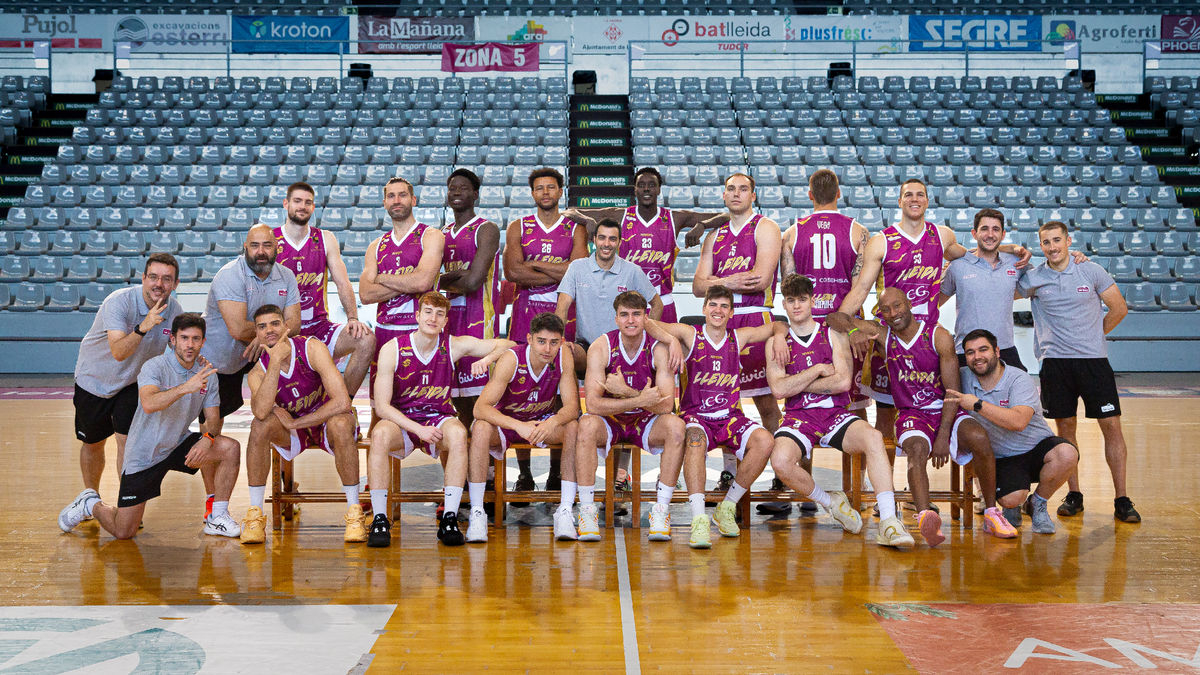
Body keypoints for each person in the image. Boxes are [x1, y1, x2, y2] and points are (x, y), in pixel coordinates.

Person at [829, 179, 1030, 480]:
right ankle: (886, 493)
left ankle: (960, 490)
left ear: (927, 201)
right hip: (892, 339)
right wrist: (852, 327)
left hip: (931, 343)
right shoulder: (882, 241)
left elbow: (971, 255)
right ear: (900, 201)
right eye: (908, 194)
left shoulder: (942, 235)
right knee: (886, 416)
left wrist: (1009, 248)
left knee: (943, 408)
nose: (914, 199)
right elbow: (860, 289)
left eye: (919, 194)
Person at [835, 288, 1017, 544]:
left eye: (897, 306)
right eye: (885, 310)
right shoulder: (884, 334)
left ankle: (990, 512)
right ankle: (924, 517)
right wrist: (854, 330)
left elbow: (953, 392)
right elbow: (836, 317)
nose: (893, 314)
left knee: (980, 438)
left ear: (909, 304)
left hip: (945, 409)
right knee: (916, 451)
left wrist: (943, 435)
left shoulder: (938, 336)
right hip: (912, 413)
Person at [59, 314, 242, 540]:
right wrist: (186, 387)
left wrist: (209, 438)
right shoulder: (154, 366)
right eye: (184, 338)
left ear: (203, 342)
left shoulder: (207, 375)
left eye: (196, 339)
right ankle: (90, 504)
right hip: (144, 454)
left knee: (230, 448)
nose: (190, 344)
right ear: (172, 340)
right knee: (123, 531)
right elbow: (149, 403)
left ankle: (217, 517)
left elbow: (213, 419)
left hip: (177, 444)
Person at [769, 275, 915, 549]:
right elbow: (778, 390)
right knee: (780, 461)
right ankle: (830, 501)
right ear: (784, 305)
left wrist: (797, 382)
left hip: (835, 415)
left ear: (813, 301)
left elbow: (843, 382)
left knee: (873, 438)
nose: (797, 306)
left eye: (802, 299)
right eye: (791, 301)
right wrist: (817, 370)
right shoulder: (777, 342)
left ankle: (889, 521)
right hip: (798, 417)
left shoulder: (833, 333)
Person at [367, 291, 515, 547]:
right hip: (403, 420)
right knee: (378, 434)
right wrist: (417, 429)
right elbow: (381, 406)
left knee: (458, 433)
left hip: (439, 417)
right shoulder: (392, 349)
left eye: (439, 314)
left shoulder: (453, 345)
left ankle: (450, 517)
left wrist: (488, 359)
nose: (433, 318)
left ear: (446, 320)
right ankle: (380, 518)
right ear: (417, 316)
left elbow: (508, 345)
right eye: (428, 312)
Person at [644, 285, 788, 549]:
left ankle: (727, 506)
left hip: (729, 415)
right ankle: (699, 517)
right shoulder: (690, 333)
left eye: (723, 306)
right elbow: (648, 323)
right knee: (695, 441)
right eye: (713, 305)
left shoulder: (739, 337)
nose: (717, 311)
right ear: (703, 308)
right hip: (696, 415)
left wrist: (779, 336)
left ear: (732, 312)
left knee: (765, 441)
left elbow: (777, 324)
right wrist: (672, 339)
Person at [1017, 221, 1139, 523]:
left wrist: (1094, 337)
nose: (1052, 247)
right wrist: (1014, 253)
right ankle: (1075, 495)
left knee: (1111, 428)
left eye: (1057, 240)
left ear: (1068, 240)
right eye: (1046, 242)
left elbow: (1119, 308)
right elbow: (1002, 284)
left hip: (1093, 363)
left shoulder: (1091, 270)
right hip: (1055, 364)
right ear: (1041, 246)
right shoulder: (1034, 278)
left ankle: (1122, 499)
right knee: (1066, 431)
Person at [771, 168, 872, 516]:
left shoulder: (792, 232)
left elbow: (790, 285)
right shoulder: (858, 231)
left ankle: (807, 492)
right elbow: (861, 286)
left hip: (805, 322)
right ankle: (857, 489)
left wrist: (786, 325)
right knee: (851, 406)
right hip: (840, 328)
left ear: (810, 195)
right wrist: (848, 324)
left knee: (802, 405)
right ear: (839, 193)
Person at [199, 224, 301, 517]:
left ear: (276, 247)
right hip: (219, 359)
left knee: (281, 414)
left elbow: (294, 322)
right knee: (212, 425)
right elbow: (236, 328)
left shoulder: (286, 276)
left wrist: (262, 338)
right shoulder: (229, 275)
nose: (260, 251)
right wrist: (266, 334)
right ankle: (212, 501)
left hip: (263, 354)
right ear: (245, 247)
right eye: (254, 245)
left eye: (266, 245)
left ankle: (286, 489)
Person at [239, 304, 362, 545]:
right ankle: (254, 514)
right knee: (259, 427)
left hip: (326, 419)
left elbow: (342, 401)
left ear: (287, 326)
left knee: (340, 423)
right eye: (262, 327)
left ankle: (355, 511)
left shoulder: (311, 347)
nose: (270, 330)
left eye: (275, 323)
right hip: (294, 429)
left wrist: (298, 423)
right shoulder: (257, 372)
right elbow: (262, 412)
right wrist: (274, 363)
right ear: (257, 334)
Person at [67, 253, 182, 504]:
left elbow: (176, 354)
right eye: (153, 277)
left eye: (166, 279)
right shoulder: (118, 302)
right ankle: (91, 497)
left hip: (131, 383)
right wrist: (145, 325)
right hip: (95, 380)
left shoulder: (175, 311)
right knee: (93, 443)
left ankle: (126, 502)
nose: (158, 284)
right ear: (143, 278)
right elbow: (119, 352)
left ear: (176, 284)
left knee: (127, 443)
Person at [574, 291, 686, 542]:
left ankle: (661, 509)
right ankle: (587, 509)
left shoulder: (658, 349)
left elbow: (667, 404)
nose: (631, 320)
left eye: (636, 314)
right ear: (615, 319)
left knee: (677, 427)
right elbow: (592, 404)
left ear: (646, 318)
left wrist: (626, 393)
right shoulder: (601, 347)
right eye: (624, 315)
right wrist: (639, 399)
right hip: (611, 420)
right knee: (586, 425)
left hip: (645, 420)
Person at [502, 167, 587, 494]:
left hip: (564, 310)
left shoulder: (575, 227)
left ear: (560, 191)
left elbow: (577, 270)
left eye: (551, 187)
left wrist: (534, 266)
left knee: (559, 389)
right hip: (526, 311)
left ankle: (555, 468)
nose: (546, 193)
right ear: (533, 193)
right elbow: (513, 272)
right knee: (518, 387)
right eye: (540, 188)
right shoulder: (517, 226)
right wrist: (557, 271)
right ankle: (524, 473)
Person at [946, 329, 1080, 534]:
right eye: (970, 352)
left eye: (983, 350)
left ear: (997, 352)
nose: (977, 357)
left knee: (1067, 454)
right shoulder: (962, 378)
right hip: (1003, 458)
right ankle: (1015, 503)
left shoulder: (1019, 378)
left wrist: (977, 404)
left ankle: (1037, 503)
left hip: (1036, 448)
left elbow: (1018, 422)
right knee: (1011, 498)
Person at [562, 165, 727, 322]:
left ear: (659, 189)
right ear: (635, 189)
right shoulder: (622, 215)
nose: (646, 189)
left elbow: (726, 216)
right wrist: (587, 220)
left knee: (663, 351)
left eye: (651, 185)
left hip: (663, 302)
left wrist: (702, 225)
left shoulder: (674, 218)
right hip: (628, 302)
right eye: (641, 185)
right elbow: (568, 211)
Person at [469, 312, 580, 543]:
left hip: (541, 422)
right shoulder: (512, 359)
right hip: (509, 422)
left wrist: (553, 421)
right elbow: (480, 408)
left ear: (561, 342)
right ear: (529, 339)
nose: (547, 348)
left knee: (573, 427)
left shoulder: (564, 356)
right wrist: (517, 425)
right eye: (541, 341)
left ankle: (565, 510)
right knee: (480, 428)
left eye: (553, 342)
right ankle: (477, 512)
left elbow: (572, 408)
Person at [693, 173, 783, 436]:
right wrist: (731, 281)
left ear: (752, 196)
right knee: (726, 405)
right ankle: (730, 473)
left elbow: (760, 279)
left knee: (767, 404)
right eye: (730, 188)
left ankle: (781, 472)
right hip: (722, 320)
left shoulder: (765, 227)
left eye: (743, 189)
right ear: (723, 195)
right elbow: (698, 287)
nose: (736, 193)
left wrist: (716, 282)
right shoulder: (714, 237)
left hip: (757, 319)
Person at [272, 181, 375, 397]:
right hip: (285, 332)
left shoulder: (325, 238)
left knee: (366, 339)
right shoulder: (271, 240)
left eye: (308, 202)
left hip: (319, 328)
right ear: (285, 204)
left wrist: (353, 318)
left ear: (313, 207)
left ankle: (342, 403)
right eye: (297, 201)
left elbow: (342, 282)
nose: (302, 206)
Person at [359, 176, 445, 388]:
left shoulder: (431, 235)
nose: (397, 200)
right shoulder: (376, 245)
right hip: (385, 330)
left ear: (413, 200)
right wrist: (408, 280)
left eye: (403, 195)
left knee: (422, 405)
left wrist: (382, 278)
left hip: (421, 330)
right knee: (380, 407)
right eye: (391, 196)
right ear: (385, 203)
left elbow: (422, 282)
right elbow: (366, 294)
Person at [555, 218, 664, 377]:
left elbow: (657, 305)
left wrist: (645, 340)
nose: (606, 243)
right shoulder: (577, 267)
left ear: (619, 242)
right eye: (602, 238)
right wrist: (560, 340)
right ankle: (570, 402)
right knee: (563, 354)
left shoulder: (632, 271)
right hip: (586, 347)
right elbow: (562, 307)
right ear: (594, 240)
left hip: (622, 346)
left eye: (612, 239)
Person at [439, 169, 501, 426]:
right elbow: (431, 280)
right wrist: (457, 274)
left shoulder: (486, 229)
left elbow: (474, 282)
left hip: (479, 320)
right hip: (447, 322)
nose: (456, 192)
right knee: (456, 400)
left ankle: (485, 466)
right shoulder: (440, 232)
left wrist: (445, 279)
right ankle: (464, 464)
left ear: (475, 194)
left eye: (463, 188)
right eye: (452, 187)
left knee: (480, 402)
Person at [938, 208, 1028, 370]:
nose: (990, 234)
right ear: (974, 233)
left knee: (1021, 391)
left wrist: (1076, 256)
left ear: (1003, 234)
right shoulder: (957, 266)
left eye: (995, 229)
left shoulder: (1016, 264)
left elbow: (1038, 285)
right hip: (967, 350)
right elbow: (933, 303)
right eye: (984, 229)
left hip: (1004, 349)